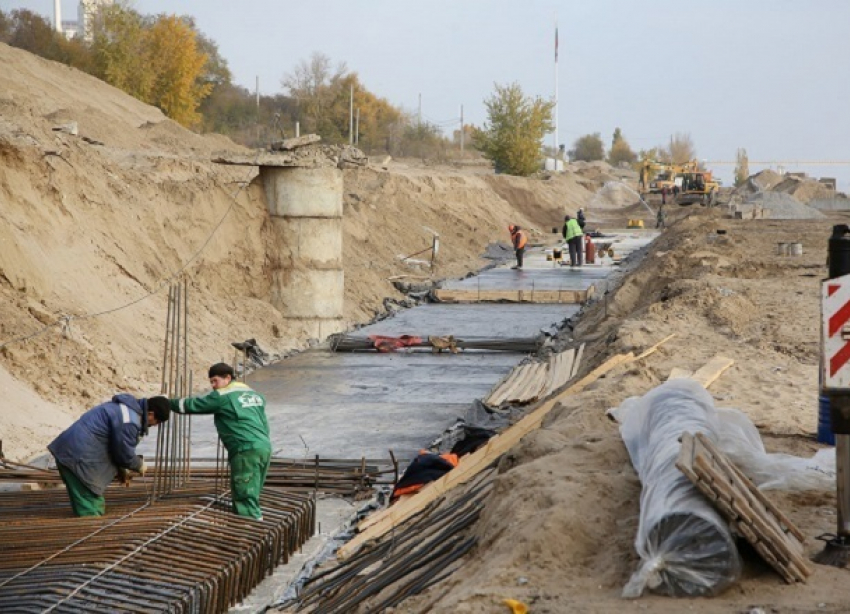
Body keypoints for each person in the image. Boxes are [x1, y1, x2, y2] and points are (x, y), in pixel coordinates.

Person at [169, 363, 271, 520]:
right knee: (252, 492)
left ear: (228, 378)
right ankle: (256, 527)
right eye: (211, 382)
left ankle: (250, 533)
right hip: (263, 446)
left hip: (245, 449)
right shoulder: (255, 395)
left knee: (244, 496)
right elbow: (264, 423)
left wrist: (168, 402)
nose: (213, 386)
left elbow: (194, 405)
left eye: (215, 381)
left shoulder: (223, 396)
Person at [48, 395, 170, 517]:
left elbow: (115, 446)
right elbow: (124, 454)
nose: (155, 425)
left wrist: (122, 469)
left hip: (71, 451)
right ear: (150, 414)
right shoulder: (130, 421)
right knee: (91, 509)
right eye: (157, 422)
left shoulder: (126, 409)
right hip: (79, 458)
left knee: (85, 504)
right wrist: (138, 464)